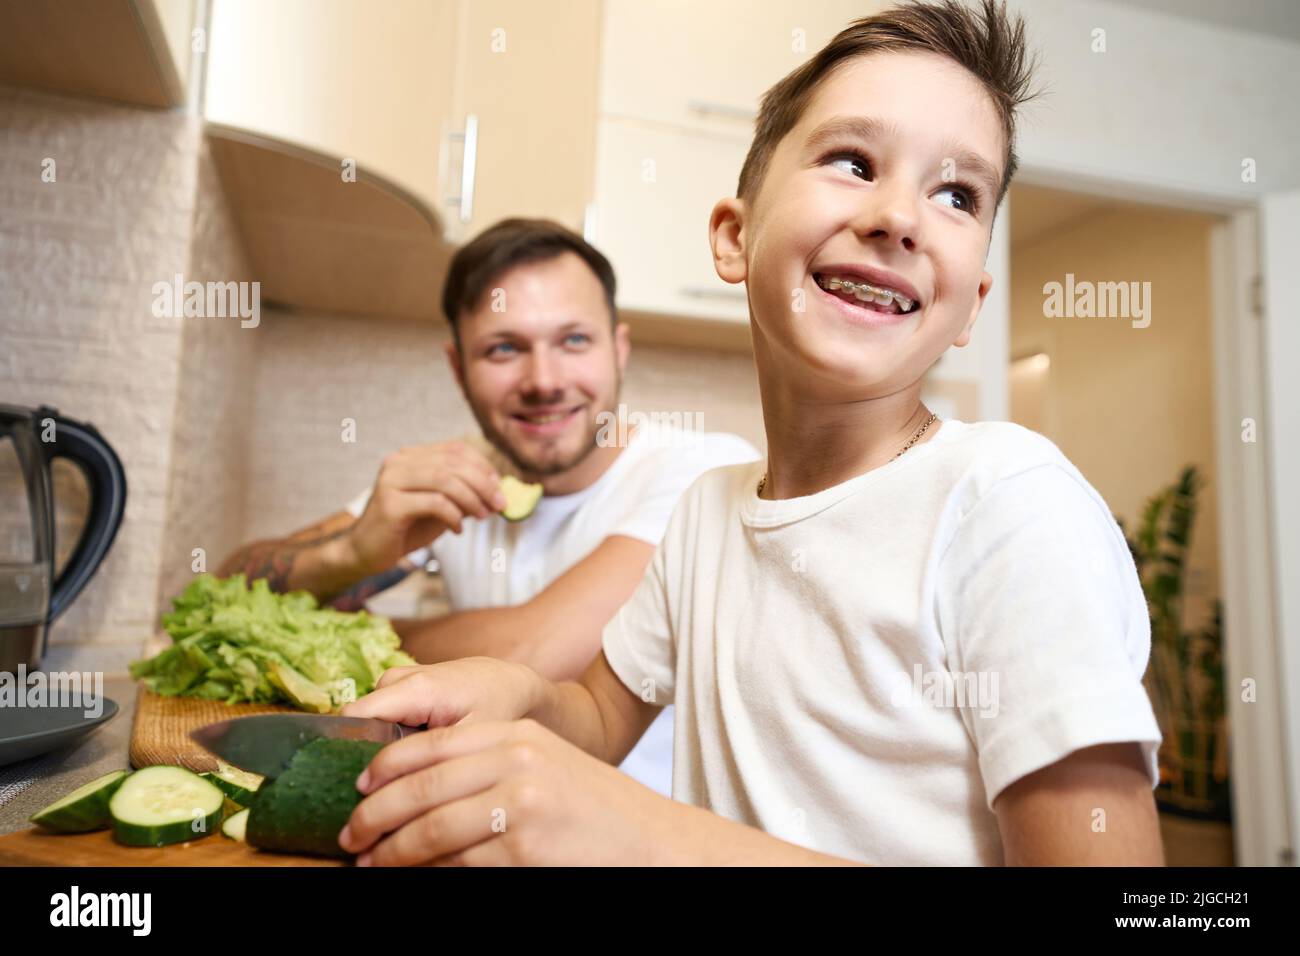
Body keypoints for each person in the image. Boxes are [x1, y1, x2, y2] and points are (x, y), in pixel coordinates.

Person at [338, 0, 1165, 865]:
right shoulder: (705, 513)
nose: (900, 216)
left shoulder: (1009, 506)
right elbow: (596, 718)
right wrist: (520, 694)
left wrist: (650, 837)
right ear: (734, 237)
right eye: (854, 161)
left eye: (957, 193)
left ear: (971, 308)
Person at [216, 218, 759, 796]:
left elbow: (534, 654)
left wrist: (345, 627)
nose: (544, 381)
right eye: (504, 348)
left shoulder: (703, 471)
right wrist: (350, 553)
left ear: (618, 349)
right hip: (482, 819)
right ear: (458, 369)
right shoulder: (455, 476)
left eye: (574, 340)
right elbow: (224, 596)